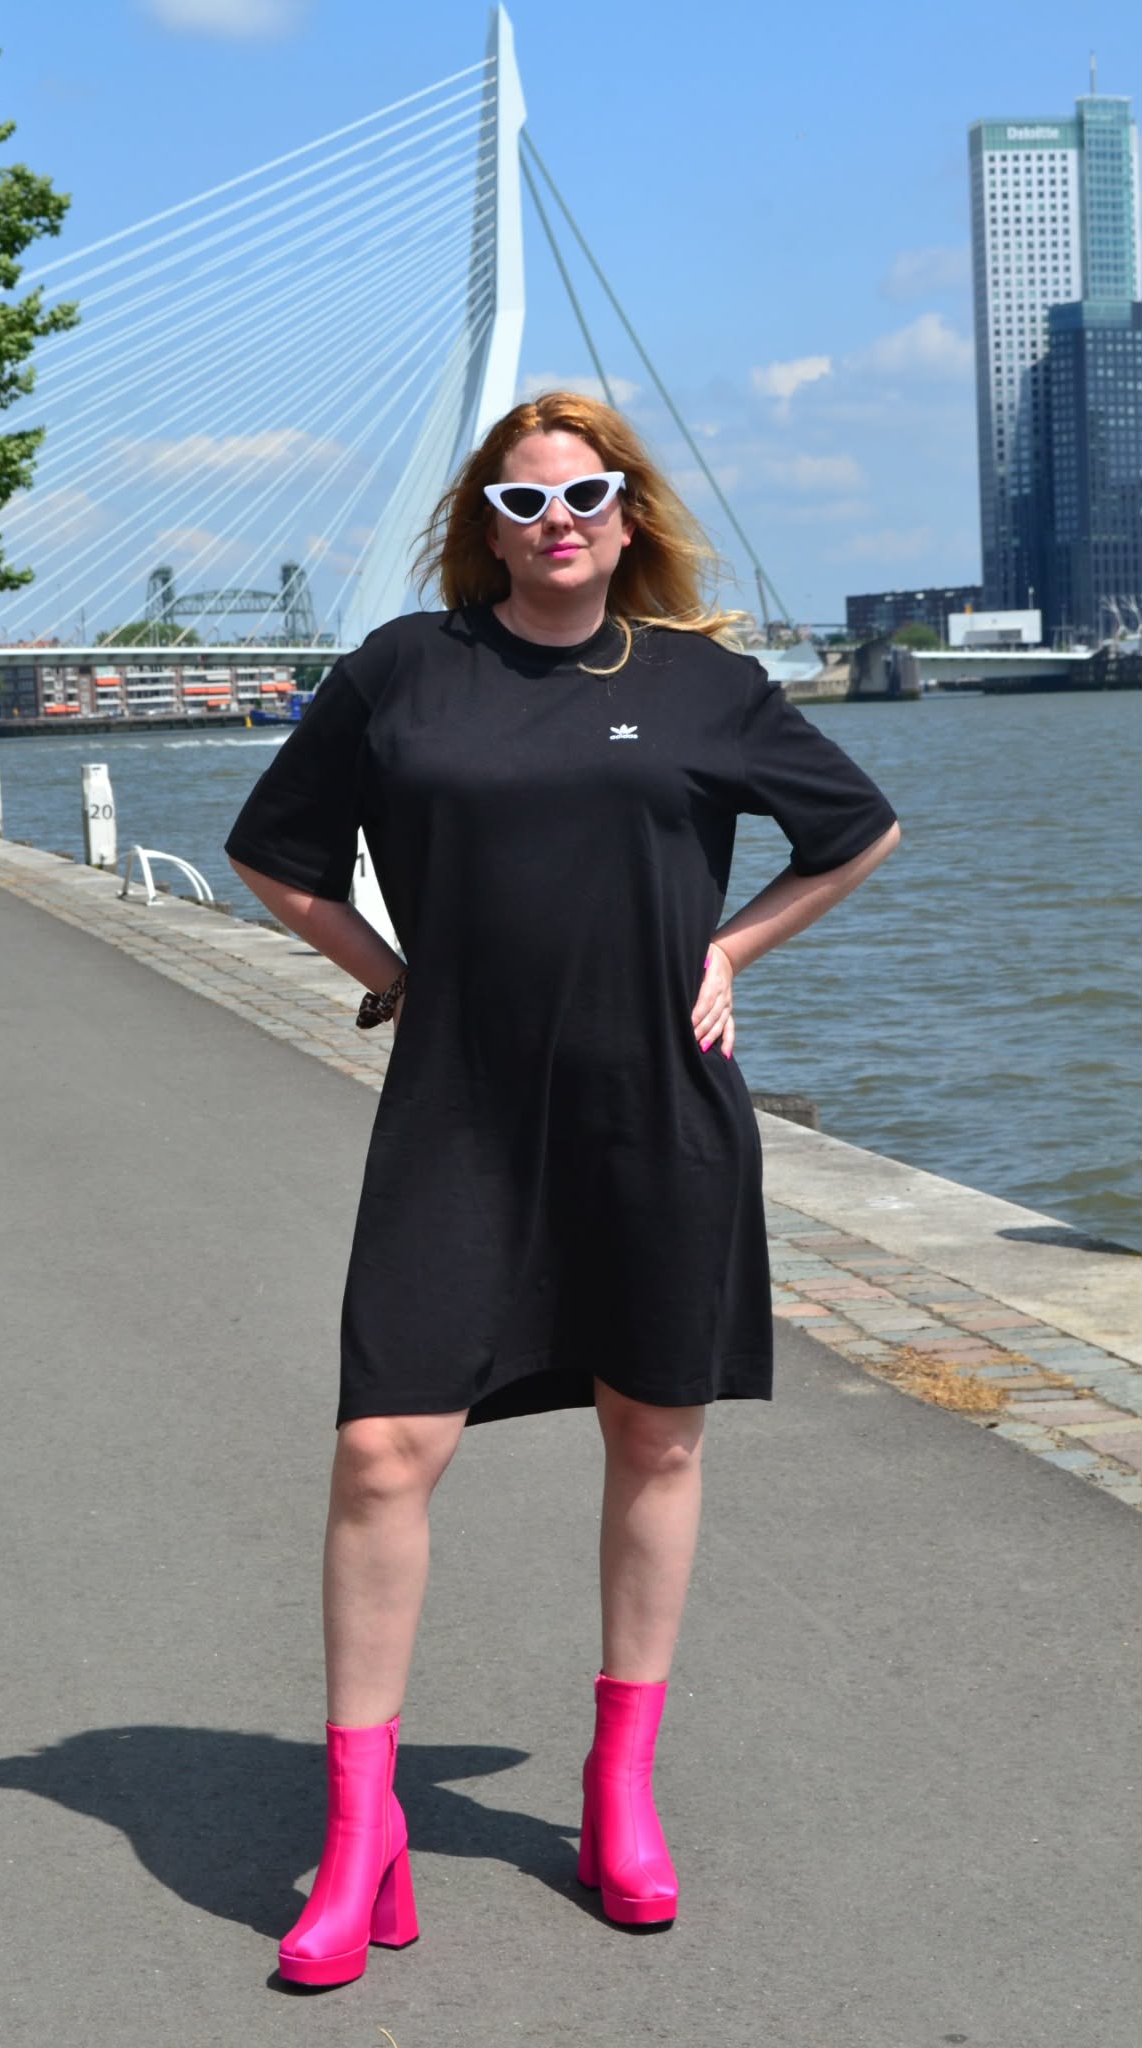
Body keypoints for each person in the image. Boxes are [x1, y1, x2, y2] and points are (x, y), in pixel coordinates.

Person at [225, 391, 900, 1988]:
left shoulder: (704, 685)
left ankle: (618, 1788)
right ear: (486, 518)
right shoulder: (405, 670)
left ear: (627, 507)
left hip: (653, 1108)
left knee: (652, 1431)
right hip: (459, 1114)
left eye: (586, 495)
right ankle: (359, 1825)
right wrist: (393, 972)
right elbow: (276, 855)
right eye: (525, 503)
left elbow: (859, 831)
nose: (559, 524)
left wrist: (729, 949)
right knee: (386, 1448)